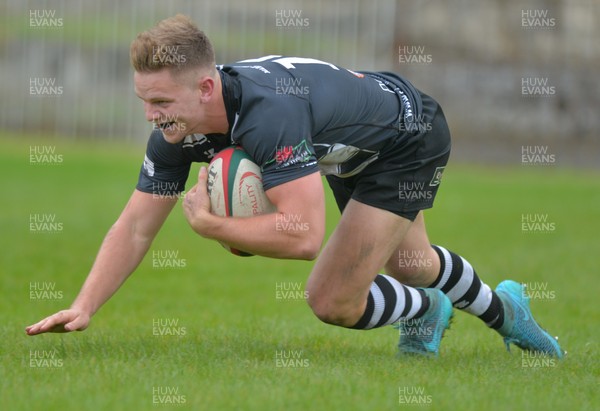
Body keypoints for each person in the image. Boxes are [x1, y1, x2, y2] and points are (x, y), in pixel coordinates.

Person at [26, 15, 563, 358]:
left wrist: (215, 225)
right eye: (144, 101)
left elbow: (304, 236)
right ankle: (505, 309)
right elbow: (136, 226)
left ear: (206, 86)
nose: (151, 115)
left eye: (161, 103)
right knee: (412, 265)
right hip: (353, 144)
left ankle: (426, 310)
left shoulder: (266, 116)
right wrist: (86, 305)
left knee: (330, 298)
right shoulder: (177, 130)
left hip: (407, 136)